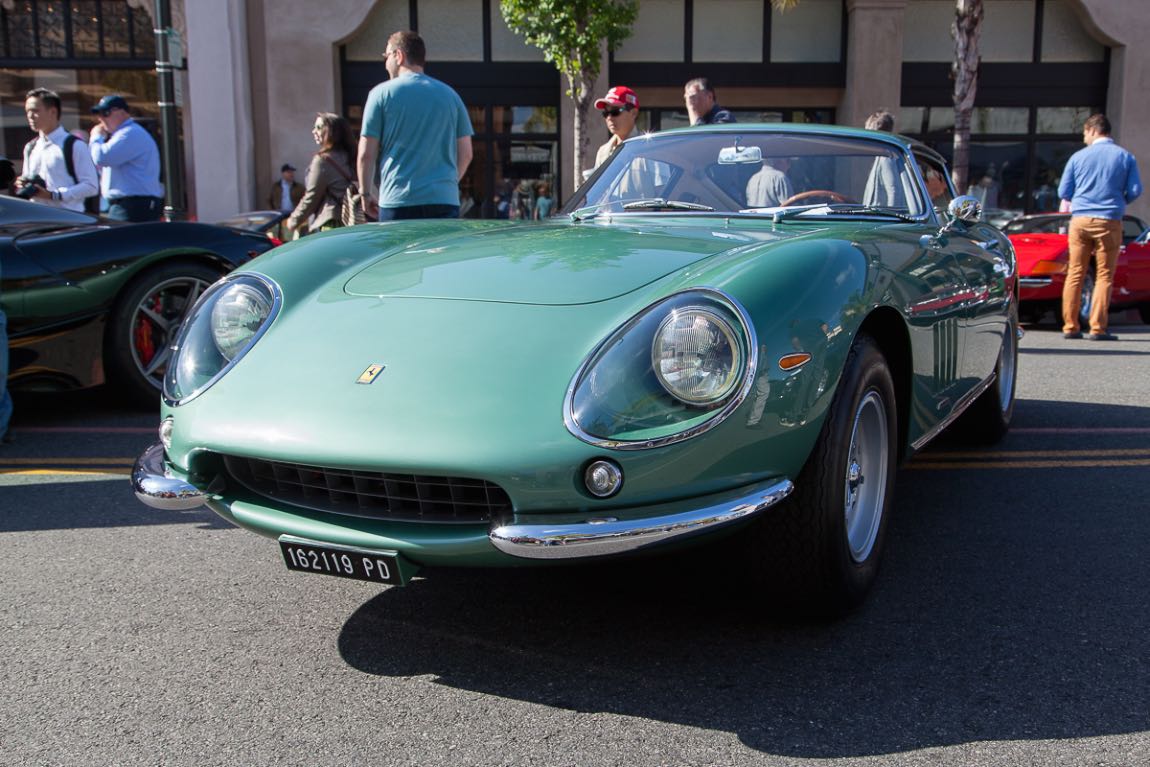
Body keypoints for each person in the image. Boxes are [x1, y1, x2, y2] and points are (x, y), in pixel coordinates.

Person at [356, 30, 473, 221]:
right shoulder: (451, 96)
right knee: (442, 252)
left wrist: (365, 193)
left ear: (399, 55)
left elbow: (366, 154)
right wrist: (448, 184)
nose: (385, 64)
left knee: (399, 252)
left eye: (387, 56)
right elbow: (467, 154)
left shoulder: (380, 94)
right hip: (443, 201)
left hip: (398, 200)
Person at [1058, 113, 1143, 341]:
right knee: (1105, 275)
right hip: (1109, 220)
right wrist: (1117, 201)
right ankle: (1097, 327)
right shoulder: (1125, 157)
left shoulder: (1078, 157)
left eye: (1085, 132)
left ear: (1093, 130)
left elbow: (1063, 192)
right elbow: (1135, 190)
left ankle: (1070, 326)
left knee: (1075, 273)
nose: (1084, 137)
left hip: (1080, 219)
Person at [16, 88, 99, 212]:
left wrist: (55, 195)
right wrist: (23, 183)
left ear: (53, 112)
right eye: (27, 111)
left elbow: (91, 186)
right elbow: (28, 182)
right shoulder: (31, 147)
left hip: (69, 220)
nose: (30, 116)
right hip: (37, 218)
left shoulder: (74, 145)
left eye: (35, 110)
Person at [88, 94, 164, 222]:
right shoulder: (123, 134)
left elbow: (101, 157)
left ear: (122, 112)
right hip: (126, 205)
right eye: (99, 114)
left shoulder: (130, 133)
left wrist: (96, 137)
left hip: (134, 206)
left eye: (105, 113)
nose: (101, 118)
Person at [286, 113, 357, 236]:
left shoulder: (323, 160)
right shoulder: (353, 156)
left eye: (319, 127)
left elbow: (312, 196)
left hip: (332, 224)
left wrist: (293, 220)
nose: (314, 131)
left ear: (332, 132)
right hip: (356, 223)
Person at [862, 109, 907, 209]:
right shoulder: (882, 157)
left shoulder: (886, 159)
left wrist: (893, 218)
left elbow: (894, 191)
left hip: (879, 217)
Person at [592, 85, 640, 170]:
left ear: (633, 113)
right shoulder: (602, 152)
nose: (609, 118)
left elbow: (662, 182)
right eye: (605, 113)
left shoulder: (649, 148)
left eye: (615, 111)